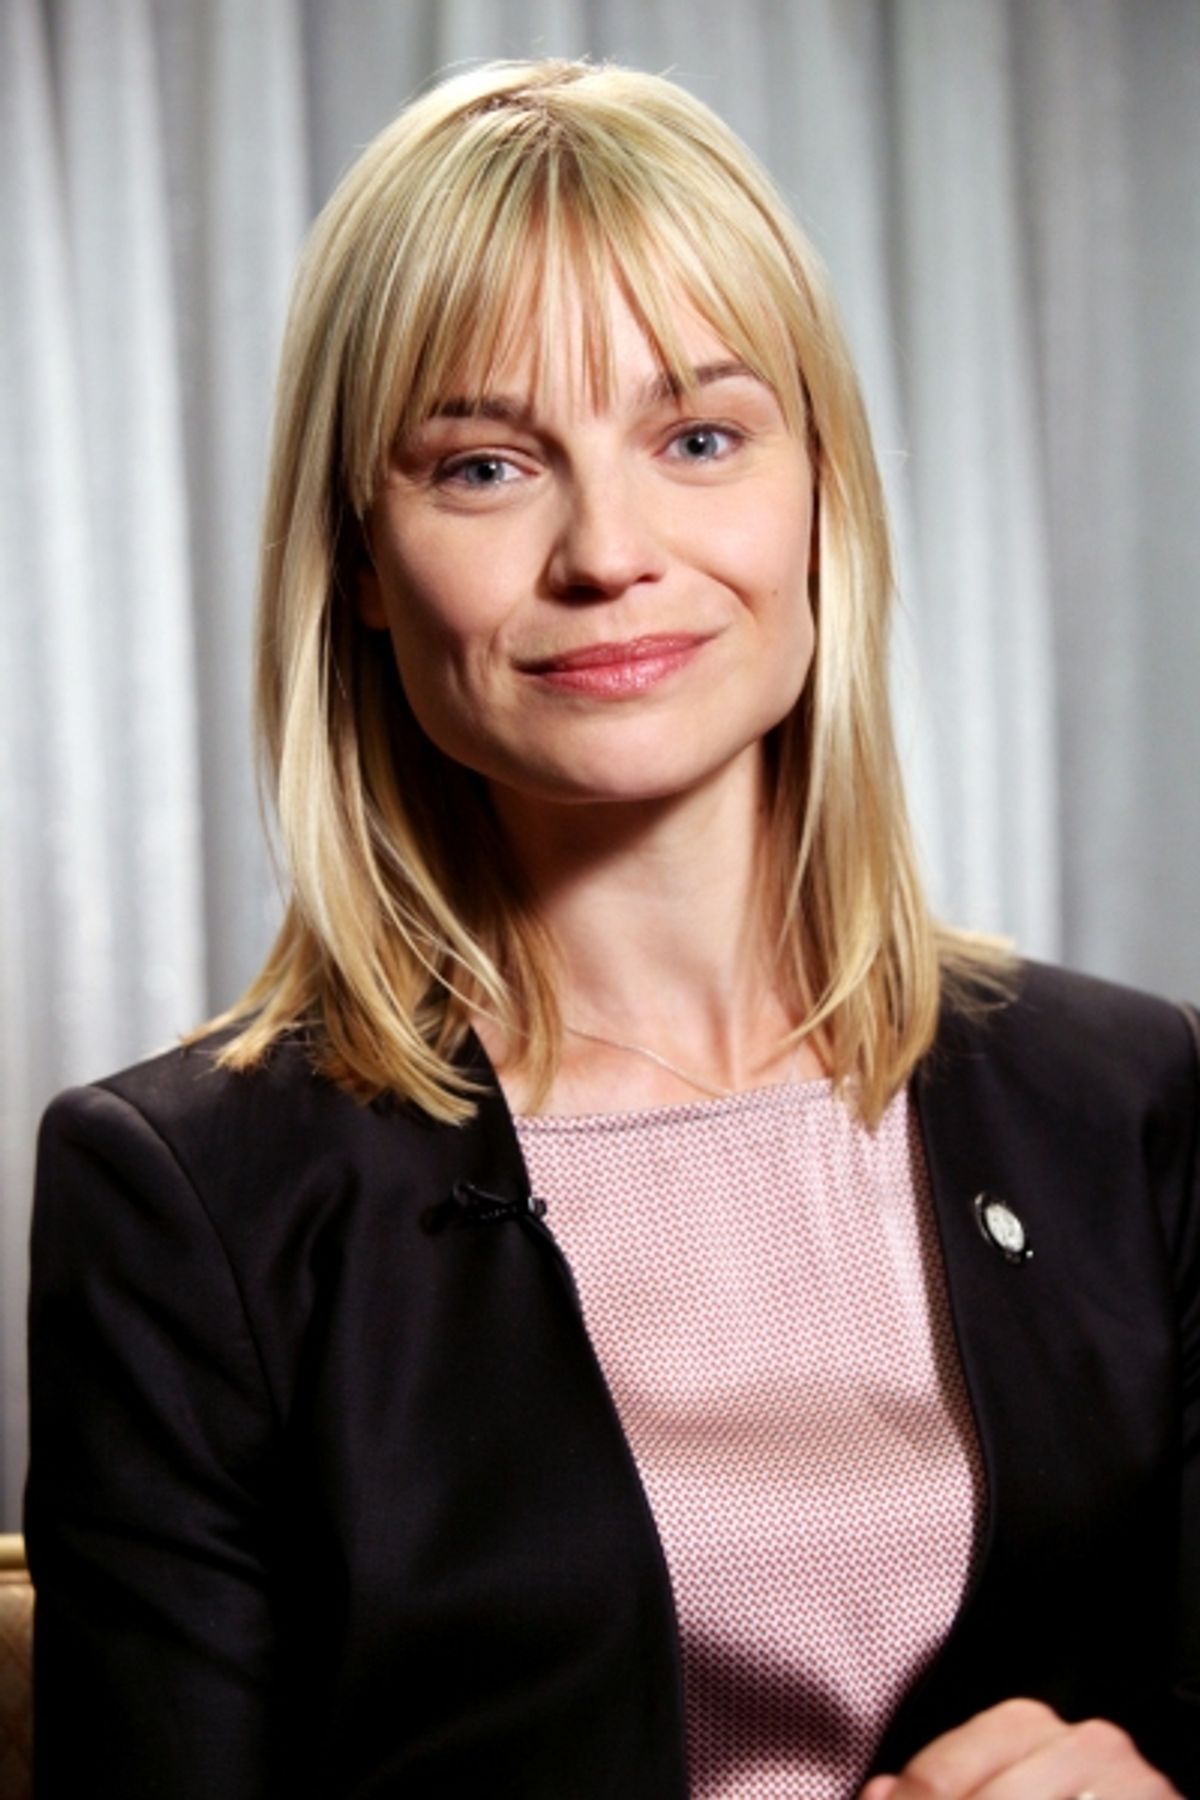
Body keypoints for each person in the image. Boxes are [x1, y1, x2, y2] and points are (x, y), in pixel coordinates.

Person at [25, 57, 1198, 1800]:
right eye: (487, 465)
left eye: (700, 438)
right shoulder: (183, 1197)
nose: (610, 553)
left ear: (822, 493)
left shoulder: (1132, 1095)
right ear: (358, 556)